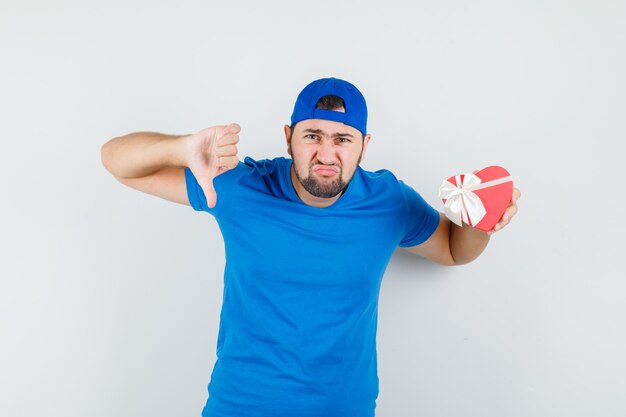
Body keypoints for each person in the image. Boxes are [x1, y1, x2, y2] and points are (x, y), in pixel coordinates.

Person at [101, 77, 520, 417]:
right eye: (312, 135)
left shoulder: (389, 201)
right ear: (288, 137)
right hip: (242, 406)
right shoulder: (239, 187)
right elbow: (117, 162)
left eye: (342, 139)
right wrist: (180, 147)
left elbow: (452, 249)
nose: (326, 153)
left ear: (364, 146)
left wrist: (480, 224)